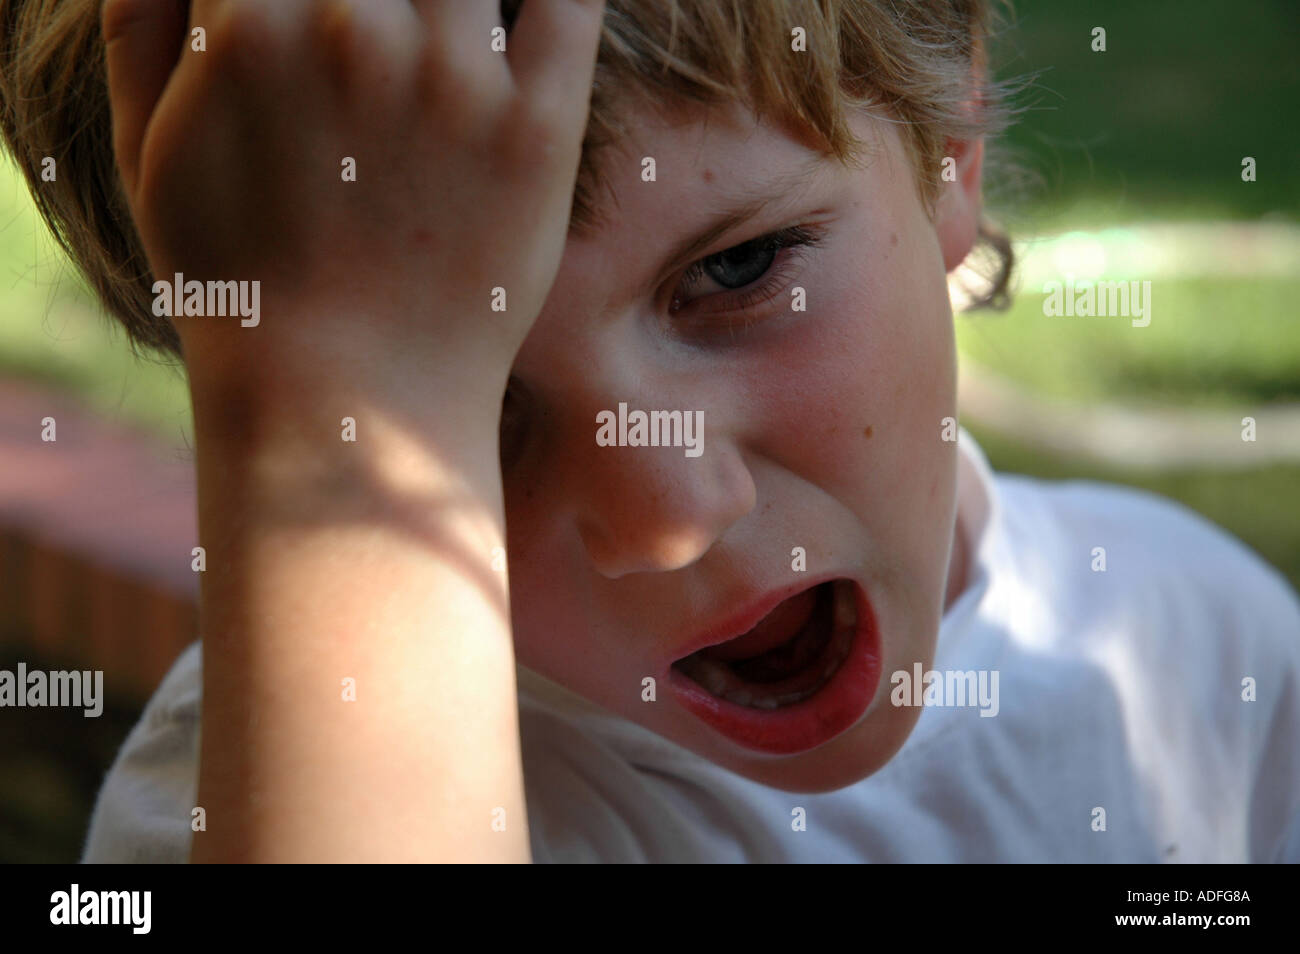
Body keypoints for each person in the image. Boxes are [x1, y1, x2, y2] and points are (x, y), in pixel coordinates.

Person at [1, 0, 1296, 862]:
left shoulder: (1204, 652)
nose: (666, 508)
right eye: (470, 408)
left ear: (946, 144)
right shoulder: (263, 787)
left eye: (737, 271)